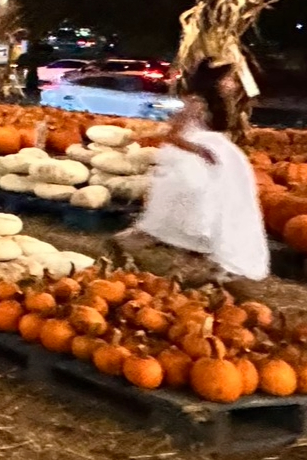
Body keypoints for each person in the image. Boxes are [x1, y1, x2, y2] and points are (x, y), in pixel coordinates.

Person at [112, 60, 269, 293]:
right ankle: (126, 245)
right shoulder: (195, 102)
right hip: (193, 163)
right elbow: (173, 135)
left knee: (217, 212)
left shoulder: (217, 103)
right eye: (228, 79)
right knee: (197, 214)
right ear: (215, 81)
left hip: (215, 160)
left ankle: (201, 268)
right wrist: (201, 151)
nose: (232, 84)